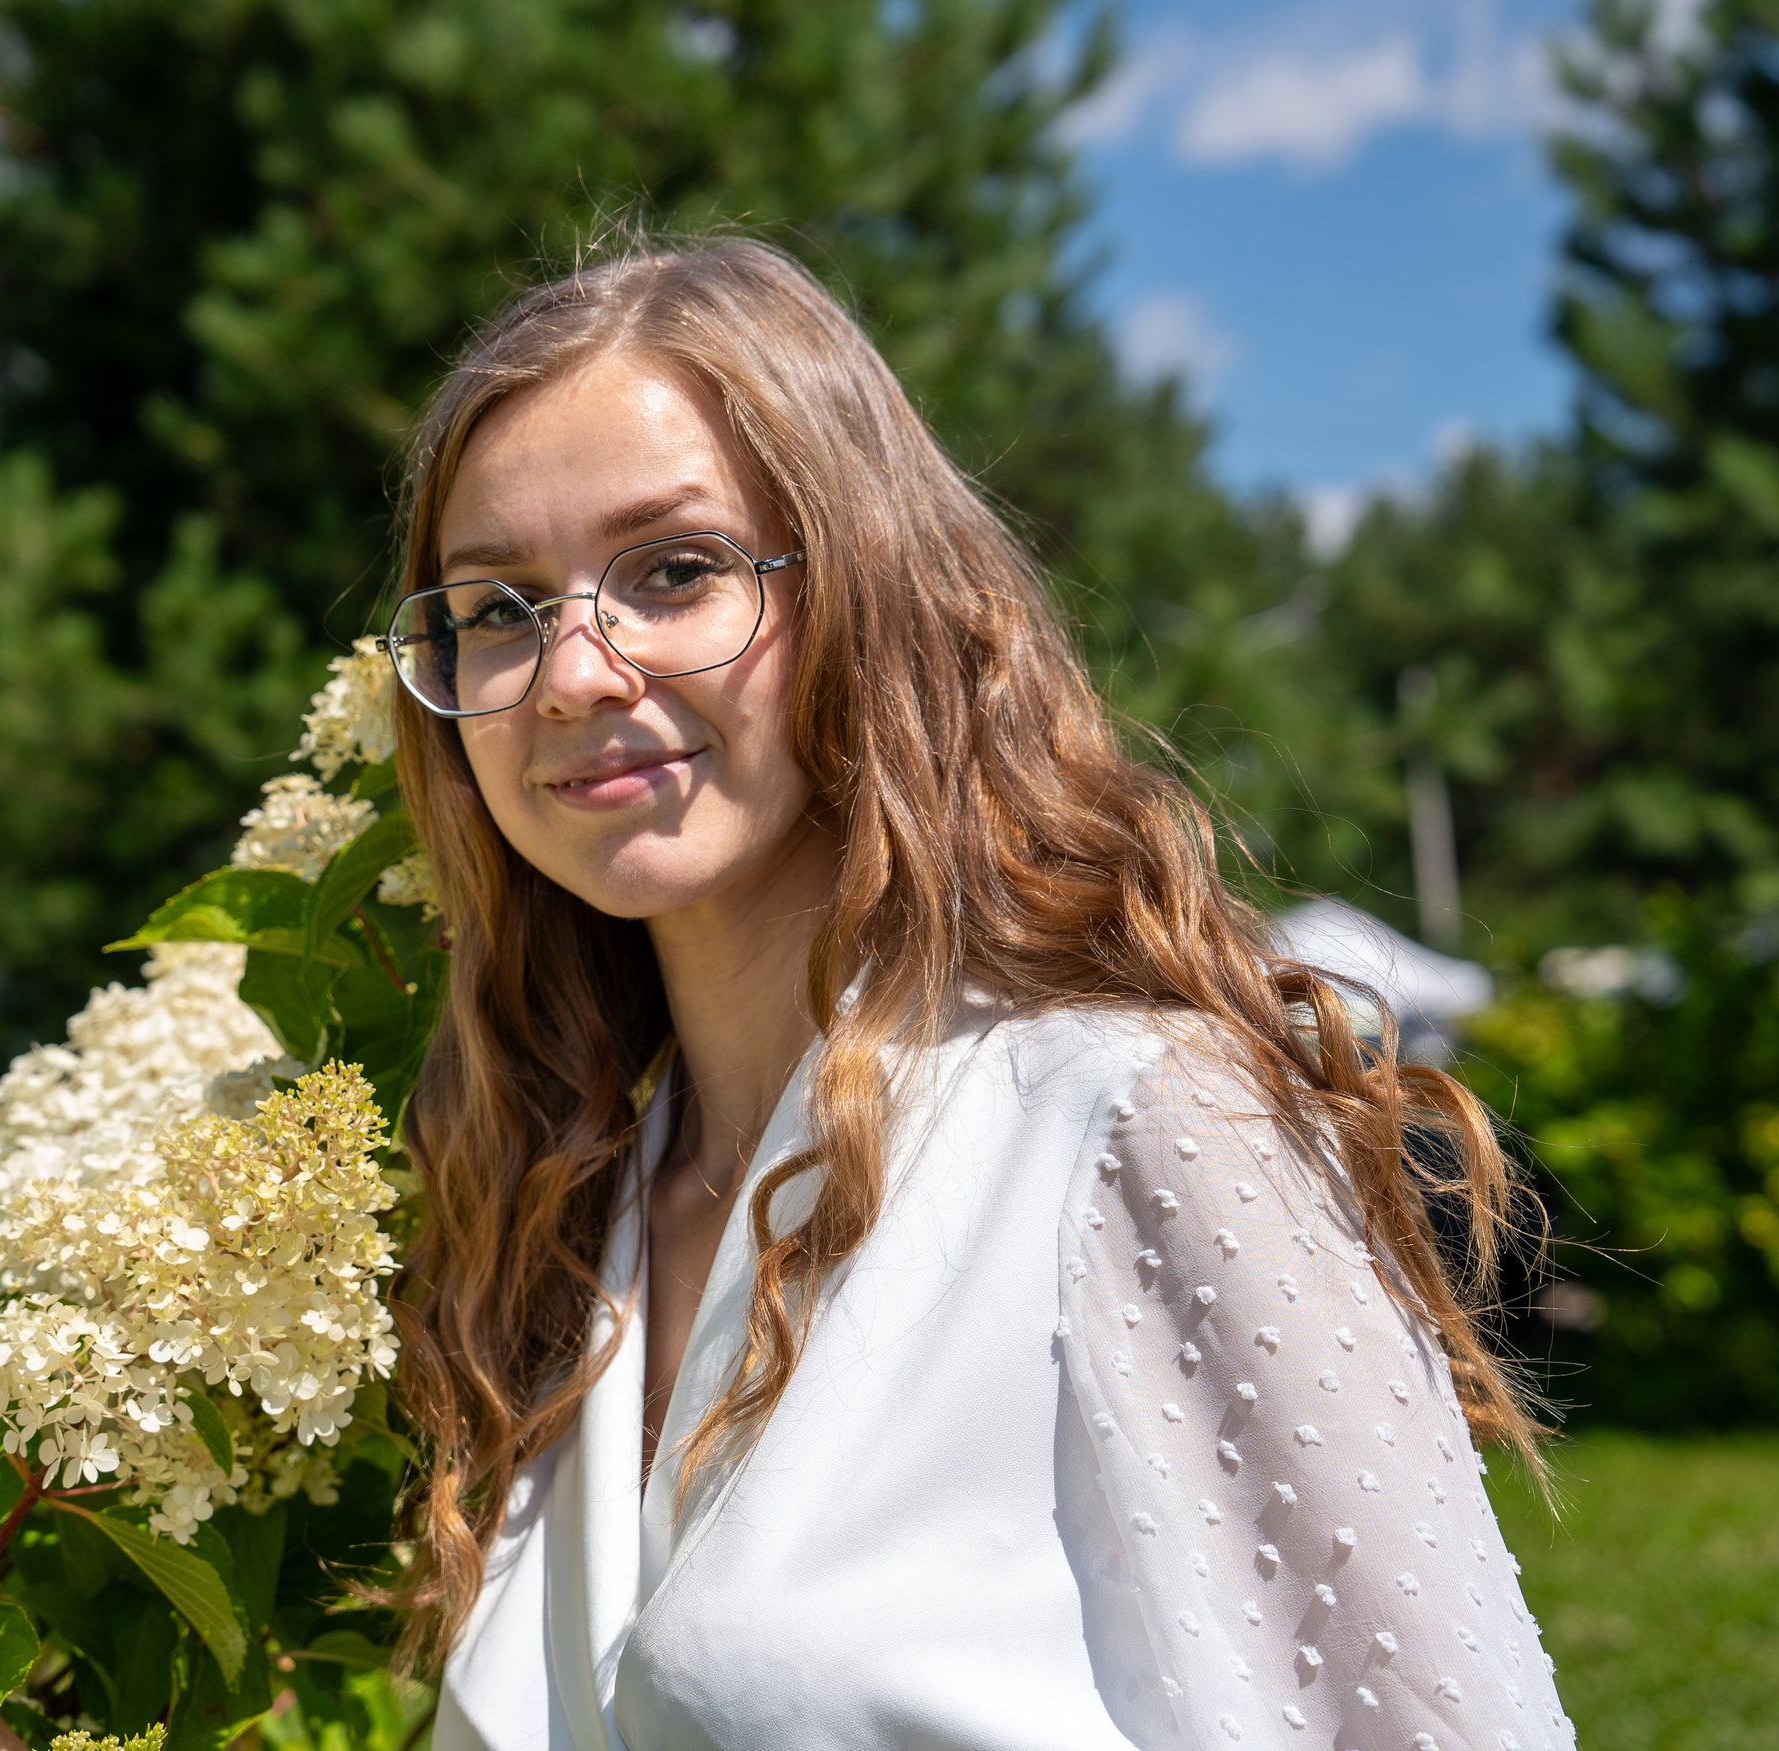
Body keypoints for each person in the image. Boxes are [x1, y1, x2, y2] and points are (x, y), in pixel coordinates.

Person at [383, 239, 1573, 1750]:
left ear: (865, 585)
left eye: (675, 570)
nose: (572, 674)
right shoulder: (559, 1215)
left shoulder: (1133, 1123)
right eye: (497, 605)